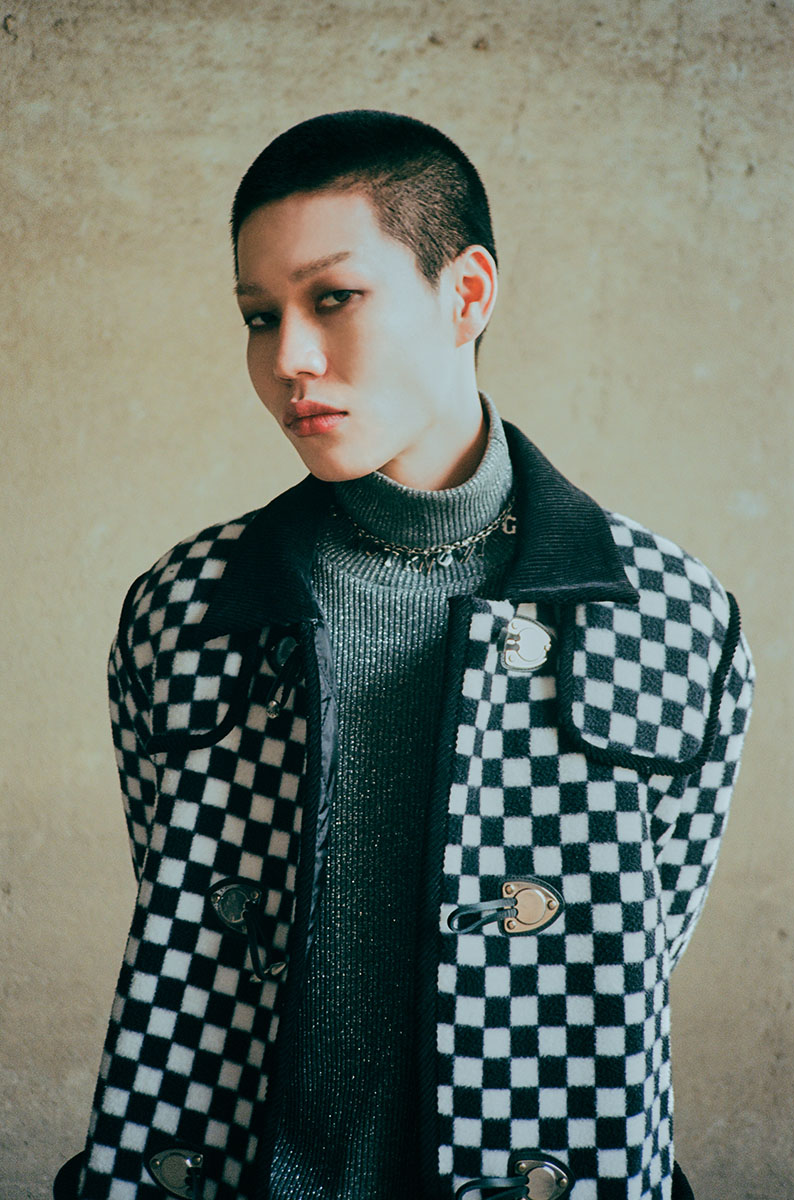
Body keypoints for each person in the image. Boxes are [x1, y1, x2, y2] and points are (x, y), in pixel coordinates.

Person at [55, 111, 754, 1200]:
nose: (287, 358)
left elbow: (634, 964)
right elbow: (184, 927)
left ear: (466, 295)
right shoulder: (184, 608)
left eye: (333, 298)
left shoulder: (672, 618)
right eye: (258, 315)